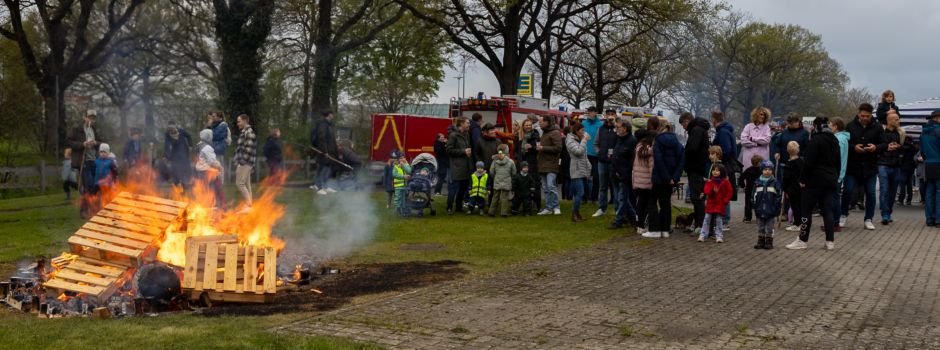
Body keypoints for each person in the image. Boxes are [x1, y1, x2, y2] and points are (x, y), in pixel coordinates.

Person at [786, 117, 840, 250]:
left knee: (806, 210)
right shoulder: (834, 140)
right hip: (831, 178)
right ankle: (830, 241)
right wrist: (835, 176)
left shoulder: (815, 140)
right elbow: (838, 161)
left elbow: (808, 163)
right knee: (827, 210)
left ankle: (802, 240)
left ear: (815, 126)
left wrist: (803, 180)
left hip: (815, 180)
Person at [840, 103, 885, 230]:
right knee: (847, 191)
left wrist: (875, 147)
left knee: (871, 194)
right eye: (862, 115)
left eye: (867, 116)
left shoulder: (877, 127)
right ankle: (843, 214)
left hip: (870, 167)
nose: (864, 118)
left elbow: (884, 144)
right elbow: (844, 143)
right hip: (853, 166)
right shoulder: (850, 126)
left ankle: (868, 218)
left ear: (871, 115)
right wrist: (854, 147)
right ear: (858, 113)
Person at [648, 119, 685, 238]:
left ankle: (654, 229)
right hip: (671, 180)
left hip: (659, 178)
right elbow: (681, 162)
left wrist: (666, 177)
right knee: (666, 203)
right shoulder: (678, 144)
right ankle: (665, 229)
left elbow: (658, 161)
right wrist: (674, 178)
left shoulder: (658, 142)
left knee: (652, 202)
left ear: (659, 128)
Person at [68, 112, 105, 218]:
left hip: (95, 161)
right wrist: (82, 144)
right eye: (89, 118)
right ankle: (85, 211)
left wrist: (96, 143)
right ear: (85, 117)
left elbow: (102, 143)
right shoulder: (77, 129)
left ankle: (93, 209)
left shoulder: (95, 129)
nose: (91, 120)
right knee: (88, 185)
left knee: (95, 186)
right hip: (83, 161)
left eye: (93, 118)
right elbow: (68, 141)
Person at [679, 112, 711, 233]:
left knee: (697, 197)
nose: (683, 127)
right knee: (696, 196)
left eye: (683, 124)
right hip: (698, 167)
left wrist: (685, 152)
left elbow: (692, 148)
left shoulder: (696, 130)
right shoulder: (699, 129)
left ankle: (700, 225)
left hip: (696, 168)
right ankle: (697, 223)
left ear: (687, 121)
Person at [608, 118, 638, 229]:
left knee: (622, 198)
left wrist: (624, 173)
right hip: (615, 173)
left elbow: (632, 160)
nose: (616, 129)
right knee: (622, 199)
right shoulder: (619, 139)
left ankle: (619, 221)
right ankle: (635, 218)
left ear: (625, 128)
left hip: (624, 175)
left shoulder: (632, 141)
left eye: (618, 127)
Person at [878, 111, 906, 225]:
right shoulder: (881, 132)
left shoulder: (901, 133)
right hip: (883, 164)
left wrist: (899, 147)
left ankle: (888, 212)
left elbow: (906, 147)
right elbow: (877, 146)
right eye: (896, 119)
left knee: (893, 192)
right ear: (889, 120)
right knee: (884, 190)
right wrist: (886, 147)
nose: (898, 121)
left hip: (896, 165)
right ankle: (885, 214)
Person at [710, 111, 737, 227]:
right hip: (725, 165)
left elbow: (726, 150)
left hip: (724, 166)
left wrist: (718, 158)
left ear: (715, 120)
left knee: (723, 192)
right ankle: (723, 219)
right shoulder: (725, 131)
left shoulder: (723, 132)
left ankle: (724, 221)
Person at [537, 115, 563, 215]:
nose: (539, 123)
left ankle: (556, 207)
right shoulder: (544, 132)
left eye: (541, 121)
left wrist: (543, 148)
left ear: (547, 122)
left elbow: (558, 148)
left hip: (552, 163)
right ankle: (548, 208)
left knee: (551, 186)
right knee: (545, 187)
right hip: (542, 163)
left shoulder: (555, 132)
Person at [594, 110, 619, 217]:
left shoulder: (618, 128)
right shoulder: (601, 128)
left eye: (612, 114)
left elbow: (622, 141)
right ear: (605, 116)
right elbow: (596, 143)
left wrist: (615, 125)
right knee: (603, 186)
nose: (610, 116)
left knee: (616, 186)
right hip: (602, 161)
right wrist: (599, 152)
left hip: (615, 162)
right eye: (608, 114)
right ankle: (601, 208)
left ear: (615, 116)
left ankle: (618, 209)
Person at [446, 117, 473, 215]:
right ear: (461, 124)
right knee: (453, 188)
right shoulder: (453, 135)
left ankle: (458, 207)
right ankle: (449, 207)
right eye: (467, 123)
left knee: (463, 188)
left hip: (466, 166)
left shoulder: (467, 135)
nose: (469, 125)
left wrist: (468, 153)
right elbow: (448, 150)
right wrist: (463, 151)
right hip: (457, 166)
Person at [699, 164, 732, 243]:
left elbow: (729, 192)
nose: (715, 172)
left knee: (719, 220)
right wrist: (711, 190)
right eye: (714, 170)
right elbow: (706, 191)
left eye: (717, 170)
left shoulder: (726, 182)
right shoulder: (710, 181)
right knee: (707, 219)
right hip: (711, 204)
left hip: (720, 204)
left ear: (721, 172)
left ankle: (719, 236)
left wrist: (725, 200)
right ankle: (702, 235)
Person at [566, 121, 592, 222]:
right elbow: (578, 152)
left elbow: (584, 156)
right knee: (580, 193)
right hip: (576, 170)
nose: (584, 132)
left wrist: (588, 168)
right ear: (576, 131)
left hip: (582, 169)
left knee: (581, 193)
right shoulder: (570, 140)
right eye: (582, 131)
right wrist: (584, 140)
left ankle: (577, 213)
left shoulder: (579, 139)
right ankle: (574, 214)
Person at [632, 125, 655, 234]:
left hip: (638, 181)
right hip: (647, 181)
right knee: (646, 204)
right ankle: (642, 225)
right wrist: (654, 180)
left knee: (639, 203)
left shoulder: (639, 148)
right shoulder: (650, 152)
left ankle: (638, 224)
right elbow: (651, 168)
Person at [752, 160, 781, 249]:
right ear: (762, 170)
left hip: (771, 210)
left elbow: (778, 196)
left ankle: (769, 241)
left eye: (769, 169)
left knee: (770, 227)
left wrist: (776, 208)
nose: (767, 171)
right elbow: (753, 195)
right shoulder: (757, 182)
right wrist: (754, 205)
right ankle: (760, 241)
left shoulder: (775, 182)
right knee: (760, 227)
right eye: (765, 169)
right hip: (760, 209)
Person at [515, 118, 541, 207]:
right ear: (523, 126)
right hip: (521, 163)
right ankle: (525, 205)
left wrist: (532, 147)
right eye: (526, 125)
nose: (528, 127)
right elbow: (516, 150)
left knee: (534, 183)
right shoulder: (520, 136)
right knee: (522, 184)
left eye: (530, 125)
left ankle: (536, 205)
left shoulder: (536, 135)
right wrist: (517, 157)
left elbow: (538, 149)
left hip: (532, 163)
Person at [830, 117, 850, 232]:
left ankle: (835, 223)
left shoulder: (839, 139)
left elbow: (838, 156)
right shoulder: (841, 138)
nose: (829, 126)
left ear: (836, 126)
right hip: (838, 172)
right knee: (835, 197)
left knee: (834, 198)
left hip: (836, 173)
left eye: (831, 124)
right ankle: (833, 222)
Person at [195, 129, 224, 208]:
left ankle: (207, 208)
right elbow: (212, 161)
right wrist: (219, 166)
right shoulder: (207, 147)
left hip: (201, 172)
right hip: (208, 172)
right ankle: (215, 208)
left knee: (205, 191)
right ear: (208, 137)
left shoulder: (199, 145)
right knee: (212, 191)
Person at [311, 110, 339, 194]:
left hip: (330, 151)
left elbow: (331, 139)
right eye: (332, 114)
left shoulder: (329, 125)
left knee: (327, 169)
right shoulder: (322, 124)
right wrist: (324, 151)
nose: (333, 115)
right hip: (324, 152)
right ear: (329, 115)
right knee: (321, 169)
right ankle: (319, 188)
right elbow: (321, 138)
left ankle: (325, 186)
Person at [234, 114, 256, 213]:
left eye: (239, 121)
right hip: (246, 162)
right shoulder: (244, 132)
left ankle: (248, 206)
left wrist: (242, 162)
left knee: (239, 183)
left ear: (245, 121)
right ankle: (249, 207)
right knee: (246, 184)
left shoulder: (249, 133)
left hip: (245, 162)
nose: (237, 123)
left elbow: (249, 150)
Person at [922, 110, 940, 227]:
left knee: (930, 191)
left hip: (928, 164)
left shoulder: (924, 132)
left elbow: (922, 151)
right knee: (939, 192)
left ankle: (929, 218)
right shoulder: (939, 131)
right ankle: (939, 219)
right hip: (939, 163)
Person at [581, 107, 603, 203]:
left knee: (596, 177)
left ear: (596, 112)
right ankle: (584, 197)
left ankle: (594, 197)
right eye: (589, 112)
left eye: (593, 112)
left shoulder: (600, 124)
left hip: (596, 154)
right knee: (584, 176)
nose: (591, 113)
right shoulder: (584, 123)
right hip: (585, 153)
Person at [488, 145, 516, 217]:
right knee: (505, 198)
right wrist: (509, 177)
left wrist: (495, 177)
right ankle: (504, 213)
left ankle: (491, 212)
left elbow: (491, 171)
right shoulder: (510, 161)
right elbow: (514, 172)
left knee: (495, 197)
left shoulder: (495, 161)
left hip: (497, 181)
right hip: (507, 181)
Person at [164, 122, 193, 189]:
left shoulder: (181, 131)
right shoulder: (168, 135)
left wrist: (190, 145)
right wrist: (166, 156)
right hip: (174, 155)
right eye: (171, 129)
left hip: (184, 153)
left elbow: (189, 136)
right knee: (175, 169)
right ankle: (176, 185)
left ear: (175, 128)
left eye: (173, 128)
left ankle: (185, 185)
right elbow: (166, 146)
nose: (172, 130)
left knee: (185, 169)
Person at [782, 142, 804, 232]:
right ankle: (800, 222)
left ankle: (797, 223)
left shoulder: (789, 163)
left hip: (791, 187)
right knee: (799, 205)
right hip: (800, 186)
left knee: (795, 206)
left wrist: (784, 188)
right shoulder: (801, 161)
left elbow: (786, 177)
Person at [92, 143, 119, 212]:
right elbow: (93, 170)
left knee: (106, 197)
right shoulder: (96, 161)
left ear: (108, 153)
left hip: (107, 184)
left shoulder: (110, 162)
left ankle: (108, 209)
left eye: (104, 152)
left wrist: (115, 179)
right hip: (97, 182)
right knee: (95, 195)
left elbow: (115, 172)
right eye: (101, 152)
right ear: (99, 153)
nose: (103, 154)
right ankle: (96, 209)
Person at [739, 155, 764, 224]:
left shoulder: (748, 170)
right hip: (759, 189)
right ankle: (759, 217)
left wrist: (743, 186)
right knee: (759, 203)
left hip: (749, 189)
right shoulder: (761, 171)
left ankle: (747, 218)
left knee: (748, 204)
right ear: (759, 163)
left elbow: (741, 178)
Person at [206, 112, 231, 181]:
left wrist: (209, 128)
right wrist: (209, 127)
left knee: (219, 168)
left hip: (218, 150)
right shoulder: (214, 126)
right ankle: (214, 185)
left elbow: (215, 136)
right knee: (212, 169)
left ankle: (220, 184)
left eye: (214, 116)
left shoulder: (223, 125)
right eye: (212, 116)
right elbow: (205, 136)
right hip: (213, 150)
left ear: (220, 118)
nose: (212, 118)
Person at [898, 136, 918, 206]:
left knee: (902, 184)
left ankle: (901, 199)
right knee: (909, 184)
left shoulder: (902, 148)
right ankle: (909, 200)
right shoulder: (913, 148)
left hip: (903, 167)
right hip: (911, 168)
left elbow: (900, 158)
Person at [391, 152, 412, 217]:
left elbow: (409, 171)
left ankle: (404, 210)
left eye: (403, 157)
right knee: (398, 198)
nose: (402, 159)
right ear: (398, 159)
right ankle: (398, 210)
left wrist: (403, 165)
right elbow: (394, 174)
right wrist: (403, 176)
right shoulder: (396, 166)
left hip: (405, 186)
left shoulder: (406, 164)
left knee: (404, 198)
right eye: (400, 158)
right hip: (398, 186)